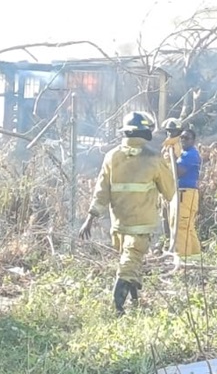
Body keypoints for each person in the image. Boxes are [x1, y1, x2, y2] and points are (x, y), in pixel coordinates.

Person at [78, 111, 177, 316]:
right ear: (145, 132)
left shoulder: (111, 156)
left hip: (119, 225)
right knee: (130, 264)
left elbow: (101, 190)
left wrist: (90, 217)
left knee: (131, 259)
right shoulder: (153, 158)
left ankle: (134, 299)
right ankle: (118, 305)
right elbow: (170, 191)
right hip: (142, 224)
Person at [171, 127, 202, 266]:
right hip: (187, 193)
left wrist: (172, 158)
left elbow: (178, 171)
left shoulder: (190, 155)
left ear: (193, 141)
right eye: (181, 138)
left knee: (182, 226)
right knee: (188, 226)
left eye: (186, 138)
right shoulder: (185, 153)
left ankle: (183, 259)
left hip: (186, 194)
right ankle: (195, 256)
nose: (183, 140)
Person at [159, 118, 184, 253]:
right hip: (164, 185)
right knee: (165, 215)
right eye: (169, 131)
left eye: (173, 131)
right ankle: (167, 241)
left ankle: (175, 245)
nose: (170, 133)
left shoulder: (178, 145)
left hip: (174, 186)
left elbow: (178, 165)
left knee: (174, 216)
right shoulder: (167, 145)